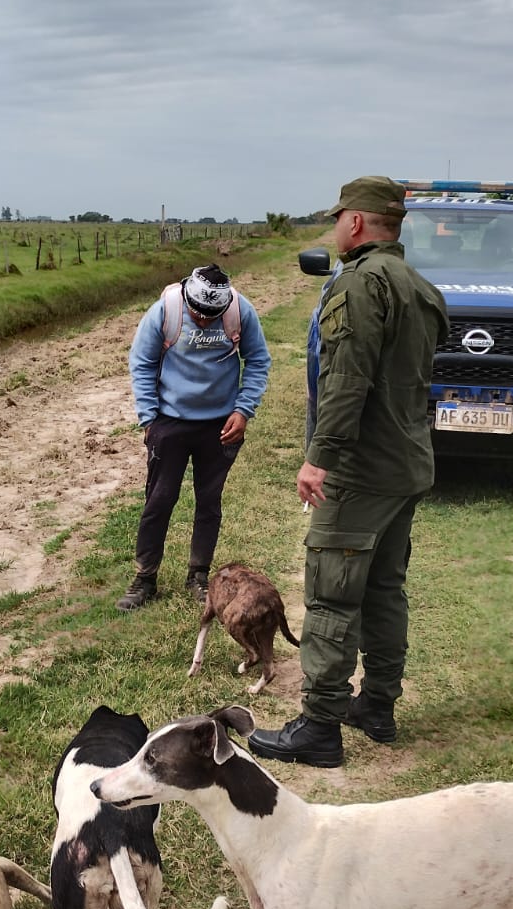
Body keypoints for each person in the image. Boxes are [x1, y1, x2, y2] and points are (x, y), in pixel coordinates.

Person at [249, 177, 447, 767]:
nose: (335, 228)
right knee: (385, 589)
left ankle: (319, 726)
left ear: (356, 223)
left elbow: (346, 380)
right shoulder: (421, 287)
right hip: (407, 463)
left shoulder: (361, 285)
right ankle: (378, 706)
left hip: (362, 469)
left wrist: (320, 456)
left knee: (333, 594)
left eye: (339, 218)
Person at [117, 263, 272, 610]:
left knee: (209, 501)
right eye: (198, 314)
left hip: (221, 425)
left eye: (210, 316)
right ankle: (145, 579)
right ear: (188, 298)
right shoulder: (166, 311)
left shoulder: (238, 311)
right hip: (169, 422)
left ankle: (199, 577)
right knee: (159, 500)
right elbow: (141, 362)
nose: (203, 320)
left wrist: (243, 410)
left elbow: (258, 360)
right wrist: (149, 419)